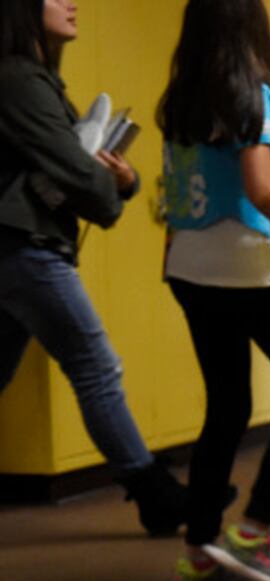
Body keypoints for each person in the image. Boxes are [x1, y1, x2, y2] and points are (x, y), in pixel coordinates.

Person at [156, 0, 270, 581]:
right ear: (252, 31)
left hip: (187, 263)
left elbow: (176, 192)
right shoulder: (252, 95)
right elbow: (262, 189)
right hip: (241, 265)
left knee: (226, 409)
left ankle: (198, 558)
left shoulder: (180, 99)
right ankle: (254, 532)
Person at [0, 0, 188, 537]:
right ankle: (155, 494)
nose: (71, 2)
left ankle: (154, 492)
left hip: (21, 245)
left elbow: (78, 169)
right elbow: (77, 173)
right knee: (95, 366)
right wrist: (117, 191)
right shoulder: (16, 78)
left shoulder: (35, 79)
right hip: (25, 247)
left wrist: (116, 184)